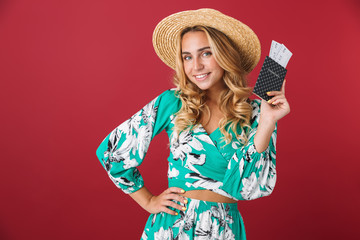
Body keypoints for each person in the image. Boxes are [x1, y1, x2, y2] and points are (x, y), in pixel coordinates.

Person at [96, 8, 290, 240]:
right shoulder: (173, 102)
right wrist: (147, 200)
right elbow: (111, 152)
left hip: (224, 230)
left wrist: (267, 122)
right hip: (173, 226)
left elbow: (249, 188)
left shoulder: (257, 113)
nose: (195, 66)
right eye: (187, 57)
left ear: (225, 55)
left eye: (205, 53)